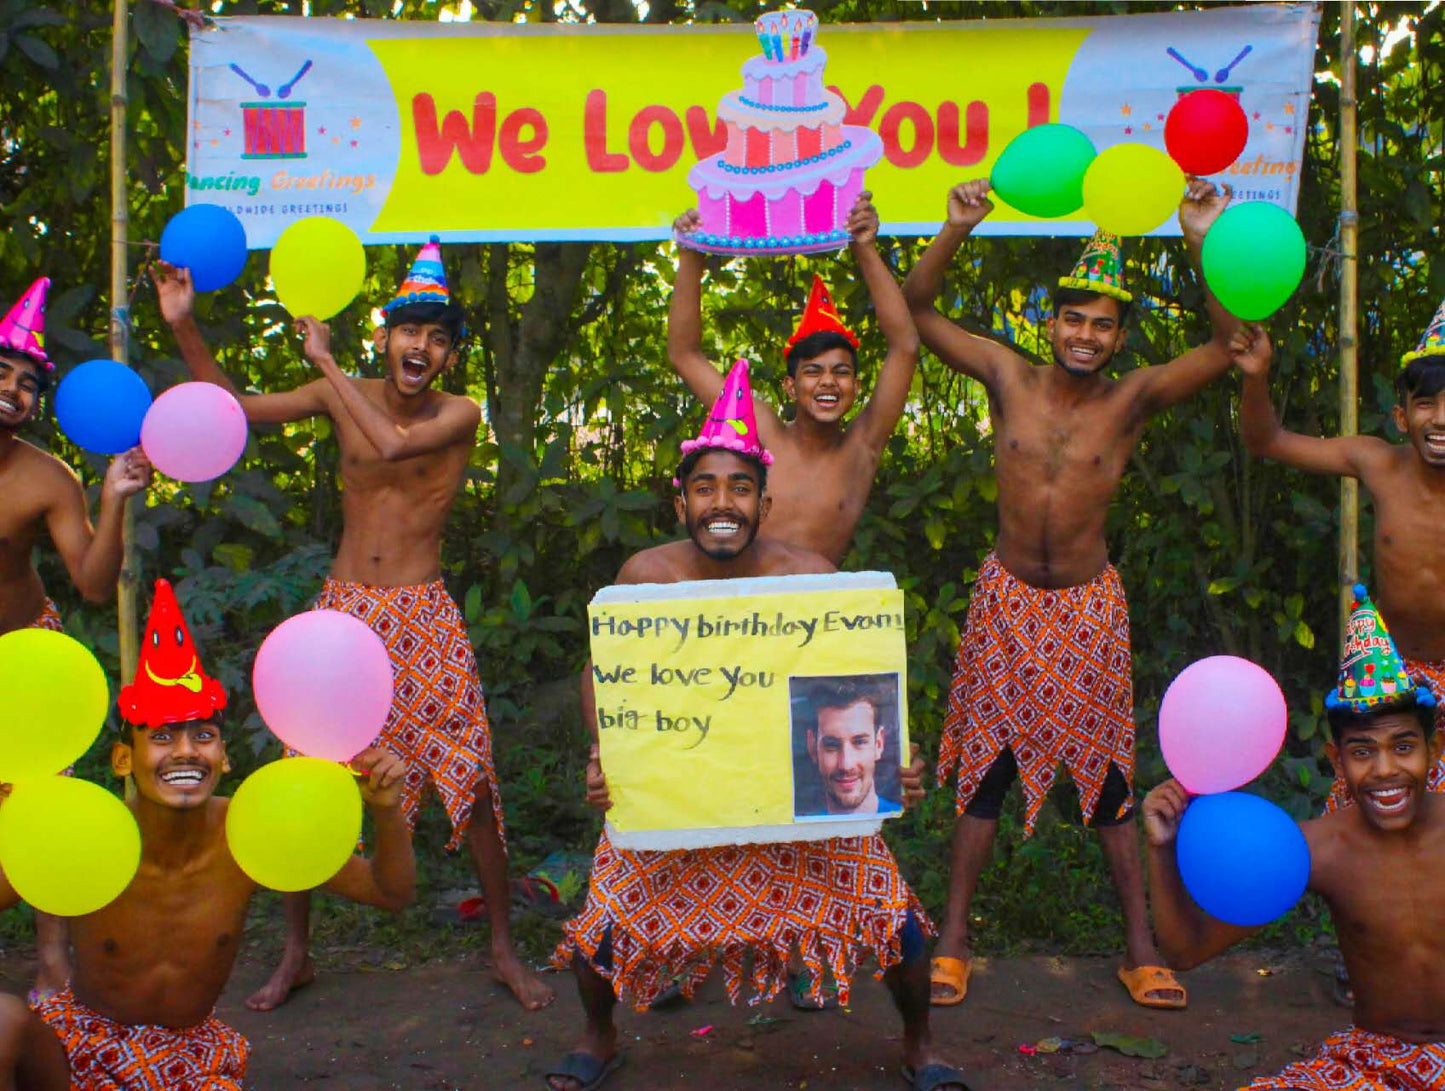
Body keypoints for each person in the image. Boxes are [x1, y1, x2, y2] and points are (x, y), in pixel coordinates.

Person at [152, 237, 553, 1011]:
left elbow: (392, 440)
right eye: (410, 330)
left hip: (423, 614)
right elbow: (234, 412)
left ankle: (502, 946)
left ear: (448, 355)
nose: (422, 346)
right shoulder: (342, 389)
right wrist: (183, 326)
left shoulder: (458, 412)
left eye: (438, 337)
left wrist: (326, 363)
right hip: (344, 616)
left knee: (468, 780)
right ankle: (297, 951)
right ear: (386, 335)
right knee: (312, 776)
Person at [544, 363, 968, 1091]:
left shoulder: (807, 575)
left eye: (738, 488)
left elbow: (855, 681)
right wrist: (601, 750)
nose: (722, 502)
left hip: (790, 801)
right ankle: (599, 1033)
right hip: (676, 793)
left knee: (895, 924)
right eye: (705, 486)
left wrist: (895, 754)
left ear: (763, 502)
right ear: (680, 500)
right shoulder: (645, 577)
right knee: (601, 931)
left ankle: (918, 1045)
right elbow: (601, 672)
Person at [903, 177, 1236, 1009]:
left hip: (1087, 609)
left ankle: (1138, 948)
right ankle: (951, 943)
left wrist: (1198, 239)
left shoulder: (1130, 401)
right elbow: (915, 311)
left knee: (1108, 782)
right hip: (1005, 602)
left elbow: (1232, 344)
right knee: (984, 773)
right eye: (1073, 317)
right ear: (1048, 323)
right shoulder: (1005, 375)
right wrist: (954, 228)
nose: (1084, 334)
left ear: (1120, 337)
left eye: (1102, 322)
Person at [0, 578, 417, 1090]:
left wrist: (386, 811)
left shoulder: (250, 829)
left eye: (203, 736)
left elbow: (389, 892)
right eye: (161, 737)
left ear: (224, 757)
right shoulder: (89, 830)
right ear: (123, 760)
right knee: (3, 1022)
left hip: (188, 1060)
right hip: (81, 1047)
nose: (185, 752)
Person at [1143, 586, 1445, 1090]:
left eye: (1405, 747)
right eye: (1363, 752)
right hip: (1379, 1065)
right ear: (1337, 761)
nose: (1386, 770)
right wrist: (1161, 848)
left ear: (1434, 753)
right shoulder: (1317, 848)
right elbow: (1184, 953)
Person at [0, 276, 152, 1004]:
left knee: (42, 805)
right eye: (2, 374)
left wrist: (113, 499)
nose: (13, 392)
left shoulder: (46, 477)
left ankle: (54, 955)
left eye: (27, 384)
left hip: (28, 660)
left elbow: (93, 583)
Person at [1237, 302, 1445, 804]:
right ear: (1401, 416)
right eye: (1426, 404)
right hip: (1391, 677)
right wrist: (1257, 375)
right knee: (1375, 813)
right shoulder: (1378, 463)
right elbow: (1266, 440)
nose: (1440, 419)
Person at [669, 192, 919, 565]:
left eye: (841, 372)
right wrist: (691, 256)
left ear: (856, 386)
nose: (828, 383)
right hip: (748, 607)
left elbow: (905, 347)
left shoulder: (862, 447)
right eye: (813, 371)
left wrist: (864, 247)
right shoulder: (761, 428)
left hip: (821, 611)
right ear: (790, 385)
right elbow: (684, 354)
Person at [795, 674, 903, 817]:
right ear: (812, 746)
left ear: (879, 744)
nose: (846, 765)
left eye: (859, 742)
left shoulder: (907, 823)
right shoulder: (796, 832)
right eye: (832, 746)